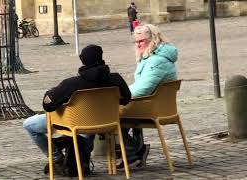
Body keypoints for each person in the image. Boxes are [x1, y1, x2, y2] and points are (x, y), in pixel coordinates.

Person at [23, 44, 131, 174]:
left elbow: (48, 105)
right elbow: (126, 99)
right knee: (85, 130)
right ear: (101, 58)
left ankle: (57, 158)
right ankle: (80, 158)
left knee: (29, 124)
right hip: (107, 123)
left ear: (82, 60)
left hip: (74, 124)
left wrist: (50, 93)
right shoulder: (116, 79)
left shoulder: (72, 84)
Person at [117, 24, 178, 168]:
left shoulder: (156, 61)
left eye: (141, 41)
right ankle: (131, 152)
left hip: (152, 108)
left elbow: (143, 89)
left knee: (108, 116)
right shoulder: (152, 57)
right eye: (136, 42)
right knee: (117, 113)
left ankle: (133, 152)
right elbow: (141, 86)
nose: (138, 45)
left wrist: (118, 96)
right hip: (155, 104)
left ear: (153, 40)